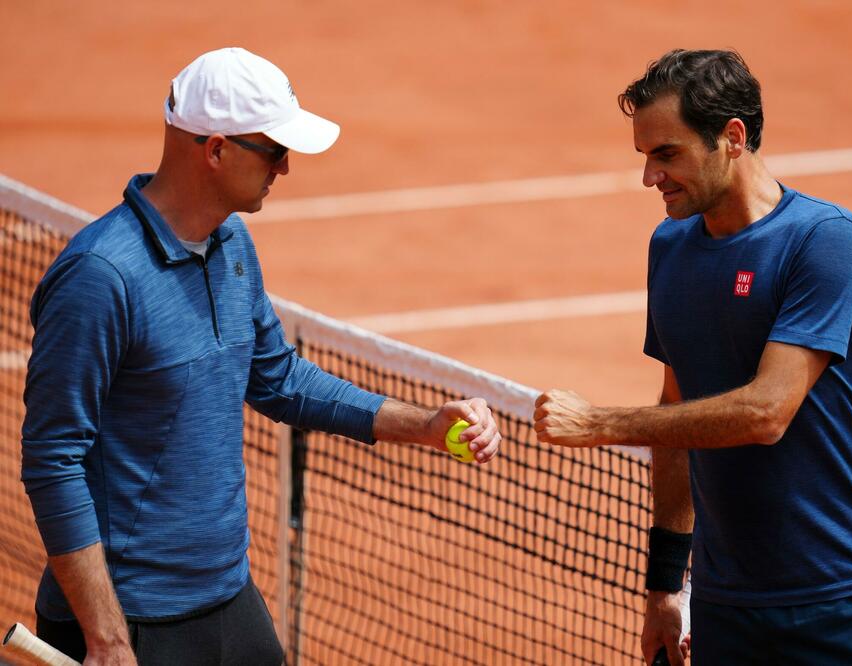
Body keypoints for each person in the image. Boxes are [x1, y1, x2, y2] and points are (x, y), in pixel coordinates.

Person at [21, 47, 502, 666]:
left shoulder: (232, 244)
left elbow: (278, 378)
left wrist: (425, 425)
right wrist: (106, 637)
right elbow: (53, 457)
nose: (286, 168)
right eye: (274, 151)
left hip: (225, 597)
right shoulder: (100, 278)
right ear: (216, 150)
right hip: (130, 620)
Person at [533, 49, 852, 666]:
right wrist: (665, 586)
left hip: (845, 598)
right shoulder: (671, 248)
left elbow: (766, 412)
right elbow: (677, 411)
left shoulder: (825, 243)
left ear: (731, 138)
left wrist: (600, 423)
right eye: (645, 157)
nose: (649, 177)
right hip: (726, 606)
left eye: (667, 154)